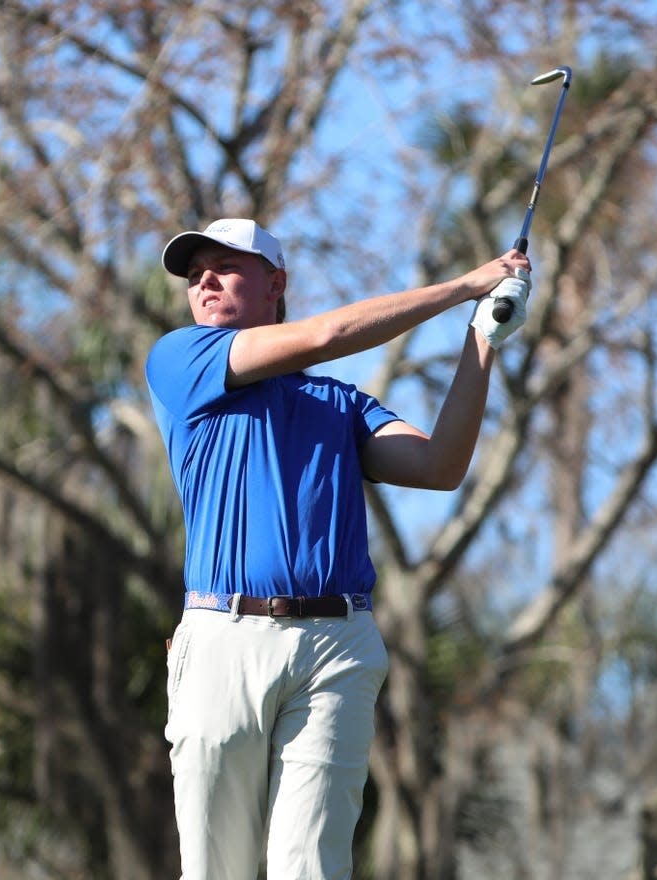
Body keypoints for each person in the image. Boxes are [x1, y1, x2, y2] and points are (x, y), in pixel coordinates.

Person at [145, 218, 531, 879]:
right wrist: (467, 285)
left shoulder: (338, 403)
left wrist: (482, 335)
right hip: (221, 637)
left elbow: (439, 465)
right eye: (193, 273)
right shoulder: (181, 360)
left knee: (313, 868)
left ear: (276, 284)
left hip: (335, 646)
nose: (203, 280)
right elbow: (325, 335)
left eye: (225, 265)